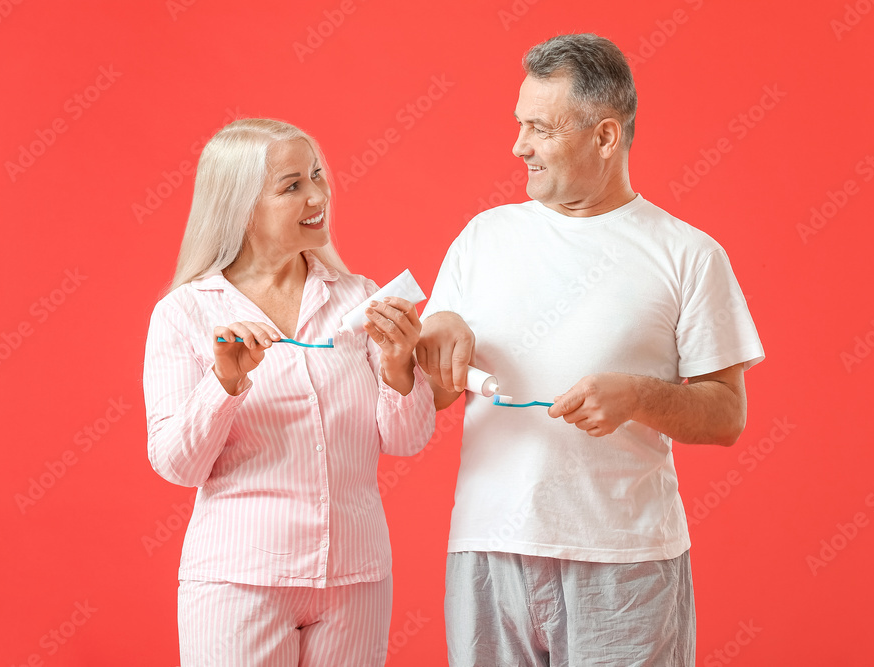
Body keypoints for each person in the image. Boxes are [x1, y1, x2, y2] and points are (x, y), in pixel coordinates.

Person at [416, 34, 765, 666]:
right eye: (520, 124)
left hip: (624, 563)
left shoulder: (688, 254)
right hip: (490, 550)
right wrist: (420, 350)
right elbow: (437, 392)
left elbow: (726, 416)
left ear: (605, 136)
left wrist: (638, 395)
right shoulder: (482, 239)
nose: (518, 146)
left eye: (540, 129)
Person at [143, 118, 435, 667]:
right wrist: (224, 383)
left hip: (356, 579)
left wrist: (399, 362)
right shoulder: (184, 313)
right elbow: (177, 464)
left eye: (317, 176)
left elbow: (406, 438)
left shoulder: (359, 298)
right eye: (292, 185)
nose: (318, 195)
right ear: (241, 208)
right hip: (240, 579)